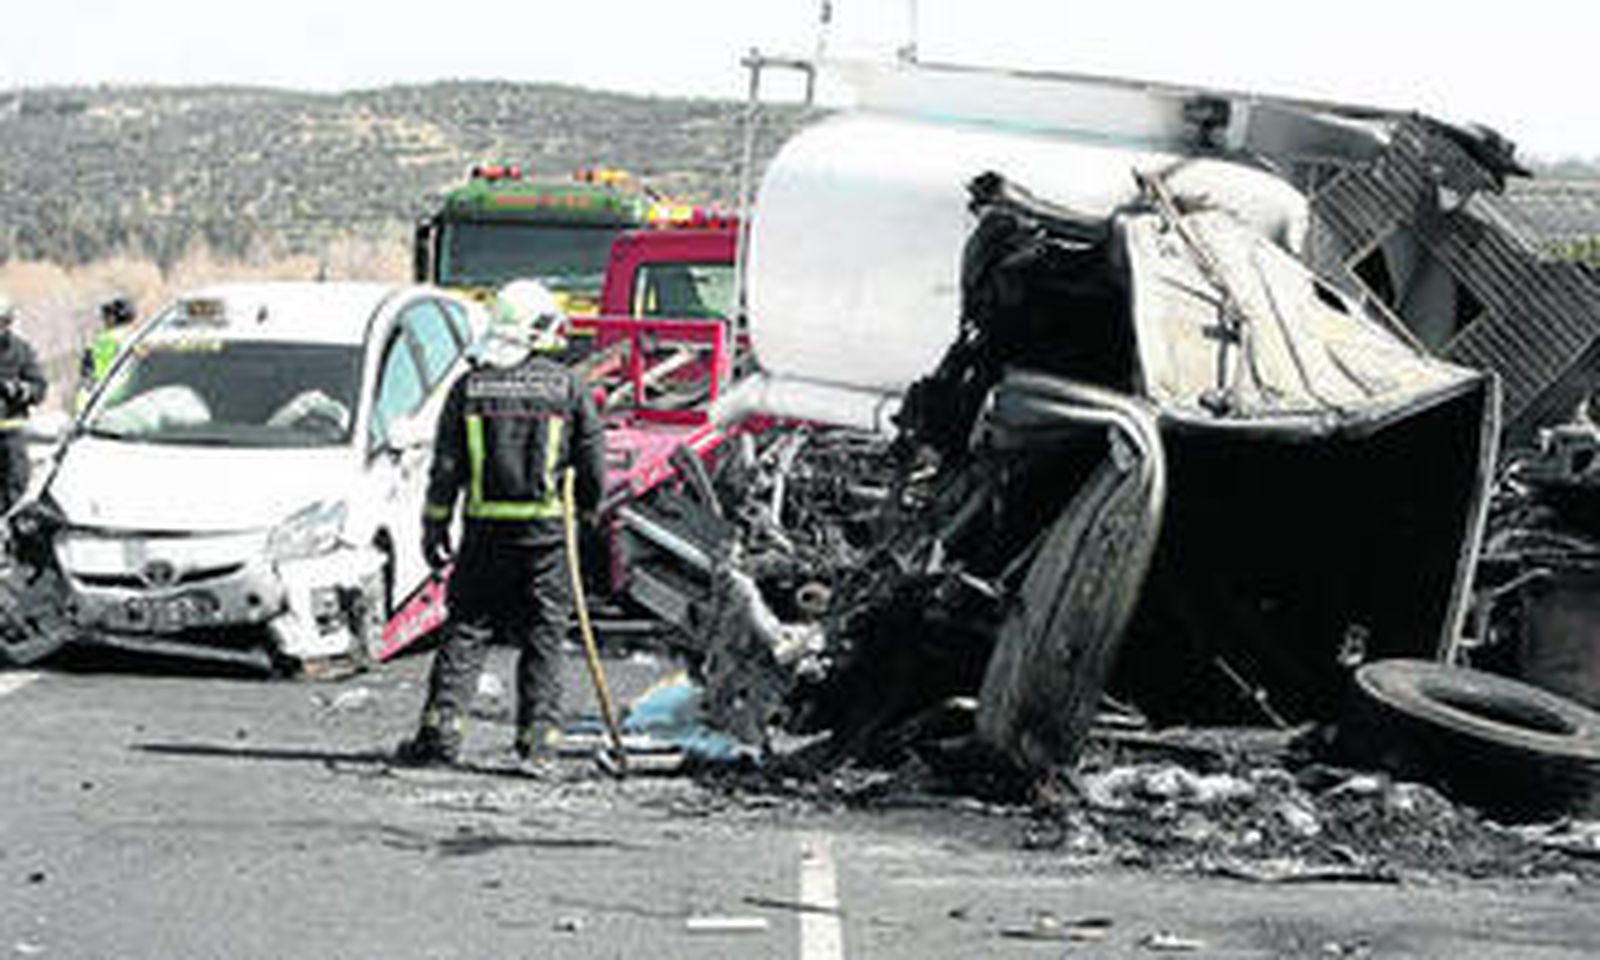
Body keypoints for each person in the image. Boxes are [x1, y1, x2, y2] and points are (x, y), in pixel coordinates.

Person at [395, 279, 605, 770]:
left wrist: (434, 527)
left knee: (467, 631)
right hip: (547, 537)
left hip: (483, 535)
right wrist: (590, 516)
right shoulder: (567, 387)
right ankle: (538, 746)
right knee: (544, 637)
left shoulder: (469, 387)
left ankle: (440, 737)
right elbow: (594, 465)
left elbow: (446, 468)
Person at [0, 294, 47, 513]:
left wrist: (19, 390)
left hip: (10, 435)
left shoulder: (20, 350)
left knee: (15, 487)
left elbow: (39, 388)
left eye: (2, 323)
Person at [76, 296, 136, 410]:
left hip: (103, 396)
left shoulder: (102, 340)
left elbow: (86, 370)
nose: (104, 319)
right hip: (127, 396)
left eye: (107, 315)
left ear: (114, 318)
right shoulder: (136, 336)